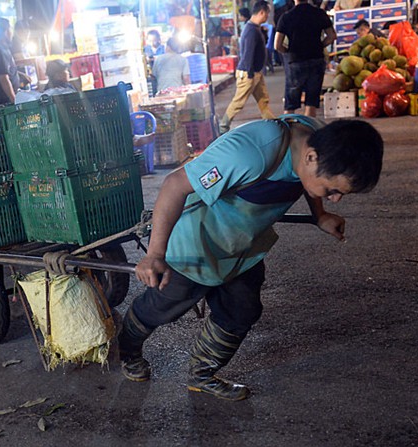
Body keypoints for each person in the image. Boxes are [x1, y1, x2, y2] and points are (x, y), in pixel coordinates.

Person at [117, 116, 384, 401]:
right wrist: (155, 254)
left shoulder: (316, 138)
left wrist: (320, 215)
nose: (335, 199)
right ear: (311, 156)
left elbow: (307, 178)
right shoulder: (250, 151)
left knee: (241, 310)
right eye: (332, 191)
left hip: (242, 246)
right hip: (197, 240)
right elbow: (175, 184)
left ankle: (201, 375)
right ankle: (128, 350)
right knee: (163, 304)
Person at [220, 1, 276, 134]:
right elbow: (248, 53)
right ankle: (223, 126)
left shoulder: (254, 28)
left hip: (255, 72)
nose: (267, 17)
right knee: (239, 101)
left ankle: (272, 122)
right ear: (261, 12)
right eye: (267, 14)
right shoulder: (251, 30)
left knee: (263, 99)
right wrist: (250, 74)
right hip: (248, 72)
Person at [274, 0, 337, 117]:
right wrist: (319, 45)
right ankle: (309, 131)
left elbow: (277, 45)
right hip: (316, 59)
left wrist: (288, 52)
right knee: (311, 102)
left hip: (295, 62)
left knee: (290, 104)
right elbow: (332, 36)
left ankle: (289, 131)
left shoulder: (286, 17)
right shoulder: (319, 14)